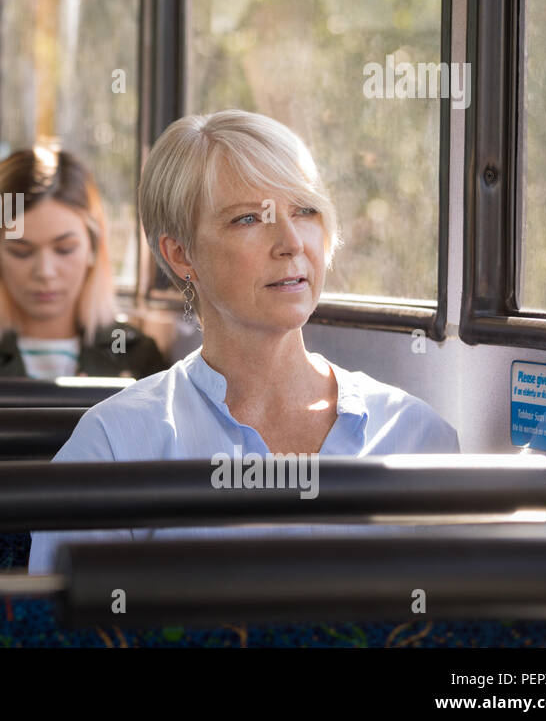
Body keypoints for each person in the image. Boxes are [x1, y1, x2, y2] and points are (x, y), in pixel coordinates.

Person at [28, 110, 459, 573]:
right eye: (249, 218)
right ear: (181, 254)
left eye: (305, 211)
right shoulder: (113, 445)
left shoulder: (416, 434)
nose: (291, 242)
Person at [0, 147, 166, 379]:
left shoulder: (136, 356)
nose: (45, 272)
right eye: (21, 252)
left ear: (93, 249)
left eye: (65, 249)